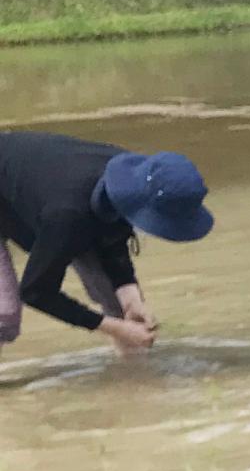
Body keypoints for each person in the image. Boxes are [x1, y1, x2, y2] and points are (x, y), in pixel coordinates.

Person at [0, 132, 213, 353]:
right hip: (45, 207)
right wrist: (114, 329)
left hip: (44, 198)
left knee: (119, 305)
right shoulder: (67, 215)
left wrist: (131, 301)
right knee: (5, 314)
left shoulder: (132, 175)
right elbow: (36, 292)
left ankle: (132, 379)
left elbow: (112, 231)